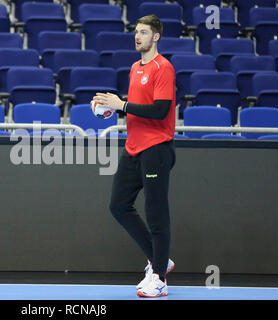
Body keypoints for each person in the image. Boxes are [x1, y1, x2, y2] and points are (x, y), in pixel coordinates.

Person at [93, 14, 176, 298]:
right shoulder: (133, 68)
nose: (137, 36)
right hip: (133, 147)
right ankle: (157, 257)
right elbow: (134, 107)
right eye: (136, 32)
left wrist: (122, 105)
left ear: (156, 37)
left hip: (156, 149)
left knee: (156, 214)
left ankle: (160, 277)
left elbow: (160, 110)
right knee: (118, 205)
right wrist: (109, 107)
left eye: (143, 32)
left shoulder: (163, 68)